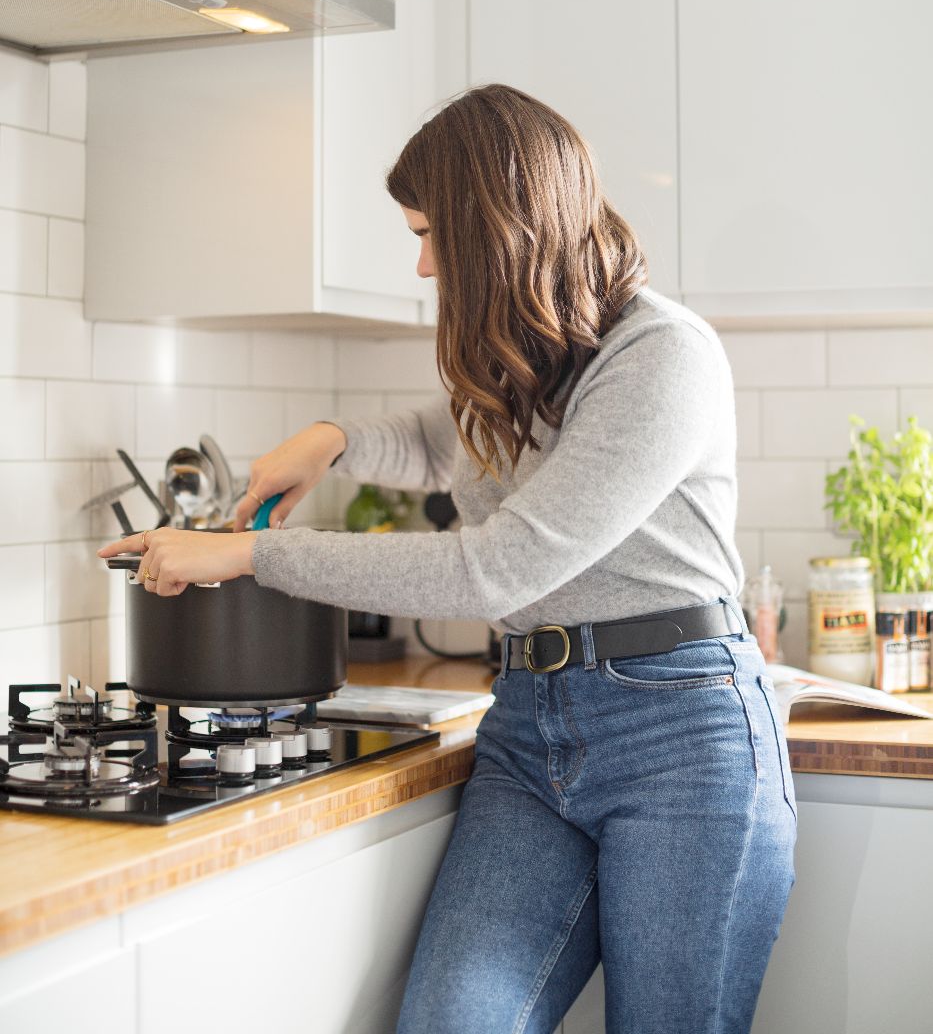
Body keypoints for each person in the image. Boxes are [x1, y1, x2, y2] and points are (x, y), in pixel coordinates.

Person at [100, 83, 797, 1034]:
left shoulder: (661, 356)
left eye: (431, 234)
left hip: (680, 734)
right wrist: (334, 438)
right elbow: (445, 437)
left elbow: (495, 570)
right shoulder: (531, 360)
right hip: (529, 726)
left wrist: (253, 555)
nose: (423, 264)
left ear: (499, 227)